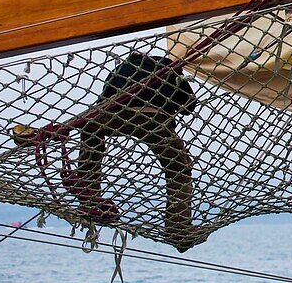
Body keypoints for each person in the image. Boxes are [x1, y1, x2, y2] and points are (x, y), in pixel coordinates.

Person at [67, 53, 199, 252]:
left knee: (91, 134)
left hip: (109, 115)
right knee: (179, 169)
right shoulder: (166, 66)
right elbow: (189, 106)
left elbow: (101, 102)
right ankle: (178, 229)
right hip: (152, 119)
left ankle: (90, 196)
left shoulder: (119, 70)